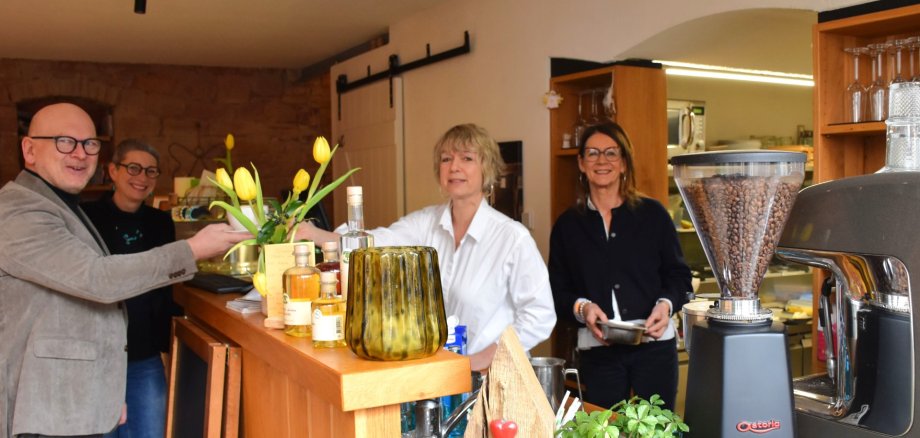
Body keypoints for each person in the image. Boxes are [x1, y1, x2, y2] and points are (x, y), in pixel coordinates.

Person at [0, 103, 248, 438]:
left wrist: (105, 386)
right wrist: (194, 250)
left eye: (89, 144)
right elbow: (97, 278)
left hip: (77, 395)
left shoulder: (60, 204)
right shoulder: (21, 209)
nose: (80, 153)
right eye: (64, 141)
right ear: (29, 149)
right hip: (48, 409)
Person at [298, 123, 556, 370]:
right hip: (438, 374)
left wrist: (484, 358)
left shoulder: (512, 238)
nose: (454, 167)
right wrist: (311, 233)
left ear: (487, 169)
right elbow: (372, 242)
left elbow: (540, 315)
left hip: (493, 378)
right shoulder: (425, 224)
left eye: (466, 158)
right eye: (446, 159)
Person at [548, 121, 691, 410]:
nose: (602, 161)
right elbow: (556, 292)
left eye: (611, 153)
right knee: (604, 427)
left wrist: (665, 306)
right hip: (597, 350)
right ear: (581, 163)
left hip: (655, 346)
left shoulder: (653, 215)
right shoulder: (568, 225)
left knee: (659, 428)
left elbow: (679, 277)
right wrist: (583, 308)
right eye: (592, 153)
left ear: (624, 163)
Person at [81, 140, 179, 438]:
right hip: (96, 354)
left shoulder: (161, 222)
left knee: (150, 432)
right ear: (113, 171)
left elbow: (167, 283)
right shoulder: (85, 218)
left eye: (151, 171)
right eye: (133, 168)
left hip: (144, 352)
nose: (142, 177)